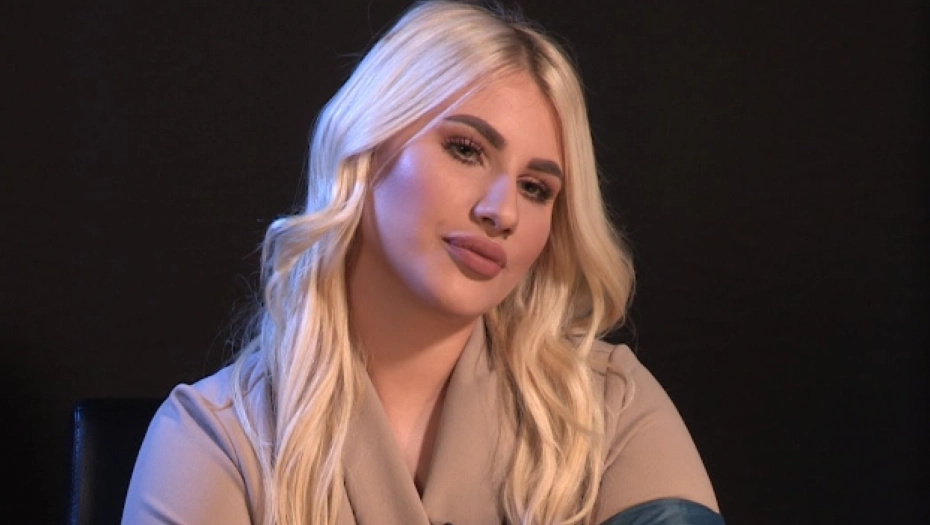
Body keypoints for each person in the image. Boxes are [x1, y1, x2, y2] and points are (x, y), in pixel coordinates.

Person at [121, 1, 725, 524]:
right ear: (366, 144)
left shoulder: (610, 406)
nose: (502, 211)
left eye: (535, 188)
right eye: (466, 149)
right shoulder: (215, 440)